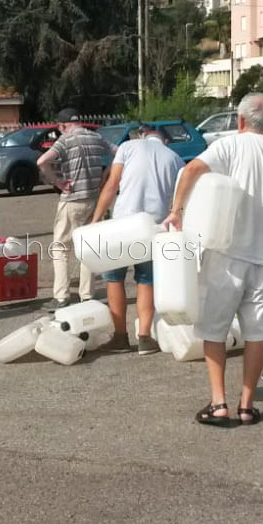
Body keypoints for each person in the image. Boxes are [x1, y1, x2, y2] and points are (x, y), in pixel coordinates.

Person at [163, 93, 263, 426]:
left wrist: (177, 211)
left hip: (226, 254)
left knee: (214, 329)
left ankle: (218, 403)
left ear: (241, 121)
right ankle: (247, 406)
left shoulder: (231, 146)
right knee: (258, 334)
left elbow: (192, 169)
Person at [91, 125, 183, 354]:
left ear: (143, 135)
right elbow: (180, 198)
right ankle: (144, 337)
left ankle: (120, 337)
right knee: (146, 280)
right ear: (165, 141)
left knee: (114, 278)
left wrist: (96, 218)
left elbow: (112, 184)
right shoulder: (174, 158)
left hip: (121, 224)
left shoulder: (127, 147)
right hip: (152, 227)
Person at [37, 108, 111, 311]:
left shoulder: (65, 140)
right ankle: (87, 296)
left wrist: (57, 181)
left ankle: (61, 296)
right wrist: (105, 177)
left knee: (61, 247)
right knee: (87, 248)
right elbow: (118, 153)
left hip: (72, 200)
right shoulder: (96, 137)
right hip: (94, 200)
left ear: (62, 126)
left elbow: (42, 161)